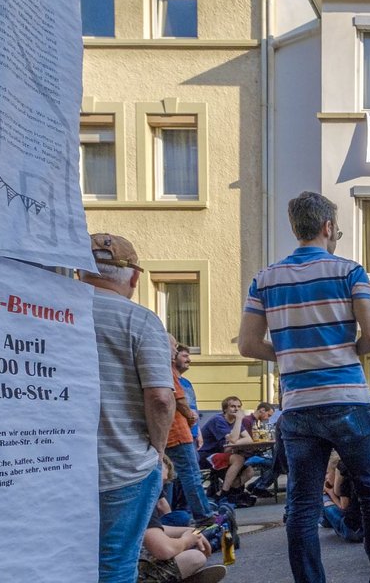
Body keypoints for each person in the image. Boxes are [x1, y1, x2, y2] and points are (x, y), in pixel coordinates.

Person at [238, 191, 370, 583]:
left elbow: (247, 344)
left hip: (298, 406)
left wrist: (291, 356)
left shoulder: (264, 279)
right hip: (347, 399)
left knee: (301, 505)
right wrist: (344, 352)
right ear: (327, 227)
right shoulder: (349, 272)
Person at [83, 233, 176, 583]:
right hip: (123, 467)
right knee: (116, 563)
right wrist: (158, 451)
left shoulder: (54, 315)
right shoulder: (140, 320)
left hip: (62, 468)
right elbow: (160, 397)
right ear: (135, 277)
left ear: (81, 272)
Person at [139, 458, 227, 583]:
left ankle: (217, 528)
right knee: (194, 556)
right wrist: (186, 540)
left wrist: (191, 531)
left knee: (190, 531)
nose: (161, 489)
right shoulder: (141, 497)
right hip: (125, 572)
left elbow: (152, 529)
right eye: (161, 482)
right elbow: (163, 550)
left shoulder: (137, 490)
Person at [165, 334, 215, 523]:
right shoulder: (168, 371)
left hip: (168, 432)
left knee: (169, 477)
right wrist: (190, 416)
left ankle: (168, 516)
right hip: (178, 431)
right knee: (191, 474)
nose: (176, 350)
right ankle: (204, 516)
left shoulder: (162, 370)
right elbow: (180, 401)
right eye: (174, 346)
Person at [199, 397, 257, 507]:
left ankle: (231, 491)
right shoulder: (218, 420)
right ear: (225, 409)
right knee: (238, 459)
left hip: (223, 454)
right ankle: (223, 494)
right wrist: (239, 420)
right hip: (206, 454)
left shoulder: (235, 421)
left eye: (239, 407)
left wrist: (235, 440)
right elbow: (233, 440)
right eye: (233, 406)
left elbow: (248, 439)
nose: (237, 409)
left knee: (249, 471)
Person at [321, 453, 365, 543]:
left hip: (353, 530)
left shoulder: (344, 482)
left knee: (325, 499)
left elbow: (343, 506)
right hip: (368, 527)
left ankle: (324, 522)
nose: (325, 477)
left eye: (327, 473)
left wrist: (330, 493)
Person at [175, 345, 203, 449]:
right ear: (173, 357)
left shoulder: (187, 383)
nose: (189, 360)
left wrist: (198, 432)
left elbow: (193, 407)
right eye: (185, 356)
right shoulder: (171, 381)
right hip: (180, 435)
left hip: (193, 435)